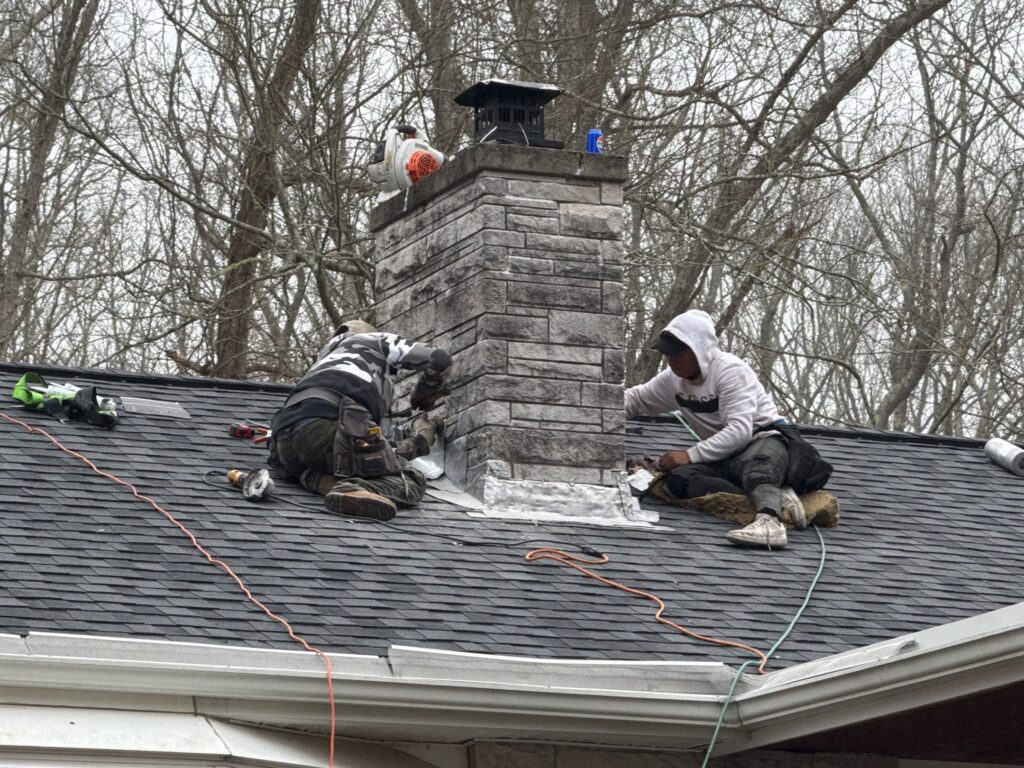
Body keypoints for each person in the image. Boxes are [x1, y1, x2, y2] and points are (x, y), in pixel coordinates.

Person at [625, 309, 806, 549]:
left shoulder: (730, 371)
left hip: (766, 441)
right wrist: (596, 408)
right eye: (668, 354)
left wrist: (689, 455)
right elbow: (635, 399)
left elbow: (740, 431)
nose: (672, 361)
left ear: (699, 350)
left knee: (758, 467)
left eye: (679, 354)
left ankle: (770, 521)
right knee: (680, 479)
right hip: (726, 457)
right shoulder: (672, 380)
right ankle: (773, 494)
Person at [268, 320, 450, 521]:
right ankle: (350, 488)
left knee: (341, 461)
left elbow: (368, 449)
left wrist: (418, 441)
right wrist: (424, 393)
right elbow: (440, 358)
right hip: (324, 435)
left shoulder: (325, 359)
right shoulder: (375, 341)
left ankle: (318, 480)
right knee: (411, 481)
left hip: (283, 447)